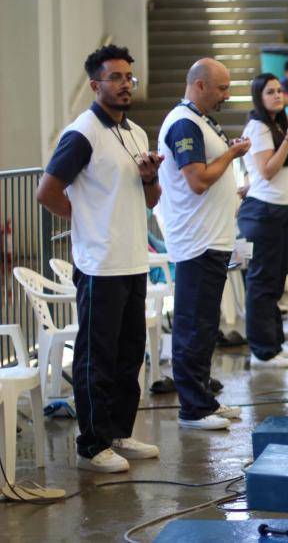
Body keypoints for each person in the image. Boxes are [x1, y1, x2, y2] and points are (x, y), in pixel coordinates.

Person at [37, 45, 162, 473]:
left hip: (132, 260)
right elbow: (47, 192)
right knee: (97, 356)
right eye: (116, 77)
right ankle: (91, 444)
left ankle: (119, 432)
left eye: (130, 77)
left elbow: (151, 199)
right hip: (100, 264)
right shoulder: (82, 132)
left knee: (130, 354)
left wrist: (149, 178)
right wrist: (86, 220)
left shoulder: (136, 133)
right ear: (95, 85)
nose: (125, 84)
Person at [157, 58, 252, 431]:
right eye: (222, 88)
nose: (226, 96)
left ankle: (204, 399)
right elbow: (196, 180)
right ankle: (192, 408)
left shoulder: (199, 121)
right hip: (196, 241)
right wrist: (232, 154)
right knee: (193, 325)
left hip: (210, 238)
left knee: (205, 324)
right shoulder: (183, 123)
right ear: (199, 85)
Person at [237, 73, 288, 370]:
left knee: (276, 282)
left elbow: (279, 170)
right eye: (270, 92)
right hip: (263, 213)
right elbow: (266, 170)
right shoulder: (258, 127)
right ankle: (263, 351)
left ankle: (274, 345)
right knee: (262, 284)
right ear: (258, 96)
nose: (278, 95)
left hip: (281, 212)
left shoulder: (277, 124)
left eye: (279, 91)